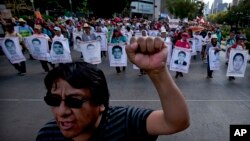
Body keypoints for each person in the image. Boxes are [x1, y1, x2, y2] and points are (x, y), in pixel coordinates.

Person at [36, 37, 190, 141]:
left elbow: (176, 122)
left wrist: (158, 72)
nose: (62, 112)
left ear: (101, 103)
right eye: (54, 100)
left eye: (74, 101)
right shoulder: (47, 135)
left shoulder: (126, 122)